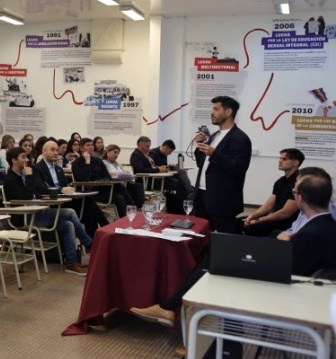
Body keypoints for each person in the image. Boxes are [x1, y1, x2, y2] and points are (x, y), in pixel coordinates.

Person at [130, 167, 336, 327]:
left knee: (216, 262)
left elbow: (291, 269)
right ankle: (172, 308)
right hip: (285, 269)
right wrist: (278, 238)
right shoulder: (323, 224)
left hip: (282, 285)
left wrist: (276, 241)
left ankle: (175, 312)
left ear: (301, 197)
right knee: (217, 255)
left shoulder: (311, 234)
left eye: (294, 191)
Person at [2, 146, 92, 276]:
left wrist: (45, 197)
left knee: (68, 224)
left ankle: (71, 262)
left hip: (37, 211)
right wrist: (29, 177)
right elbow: (25, 197)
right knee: (70, 212)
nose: (27, 160)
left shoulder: (24, 175)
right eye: (23, 157)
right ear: (14, 160)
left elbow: (36, 193)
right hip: (24, 217)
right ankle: (88, 244)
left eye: (27, 157)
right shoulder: (10, 179)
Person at [192, 96, 252, 233]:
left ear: (228, 112)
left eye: (216, 109)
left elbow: (239, 167)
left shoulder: (240, 138)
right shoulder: (214, 136)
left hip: (222, 199)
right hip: (202, 194)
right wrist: (200, 145)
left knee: (223, 238)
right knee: (202, 236)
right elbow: (202, 164)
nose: (211, 112)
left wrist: (214, 153)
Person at [242, 148, 303, 237]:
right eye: (280, 158)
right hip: (277, 218)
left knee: (253, 228)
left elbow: (285, 213)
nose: (280, 161)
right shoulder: (280, 181)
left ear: (295, 163)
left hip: (288, 222)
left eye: (284, 159)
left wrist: (259, 220)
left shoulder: (299, 183)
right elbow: (268, 205)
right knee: (239, 223)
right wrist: (253, 215)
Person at [69, 137, 124, 227]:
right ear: (81, 148)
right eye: (88, 145)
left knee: (119, 197)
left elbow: (107, 177)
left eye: (92, 145)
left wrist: (100, 180)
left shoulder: (98, 161)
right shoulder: (76, 163)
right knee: (119, 187)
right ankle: (131, 214)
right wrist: (87, 161)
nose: (91, 147)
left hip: (101, 189)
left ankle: (125, 221)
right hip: (88, 192)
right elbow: (85, 179)